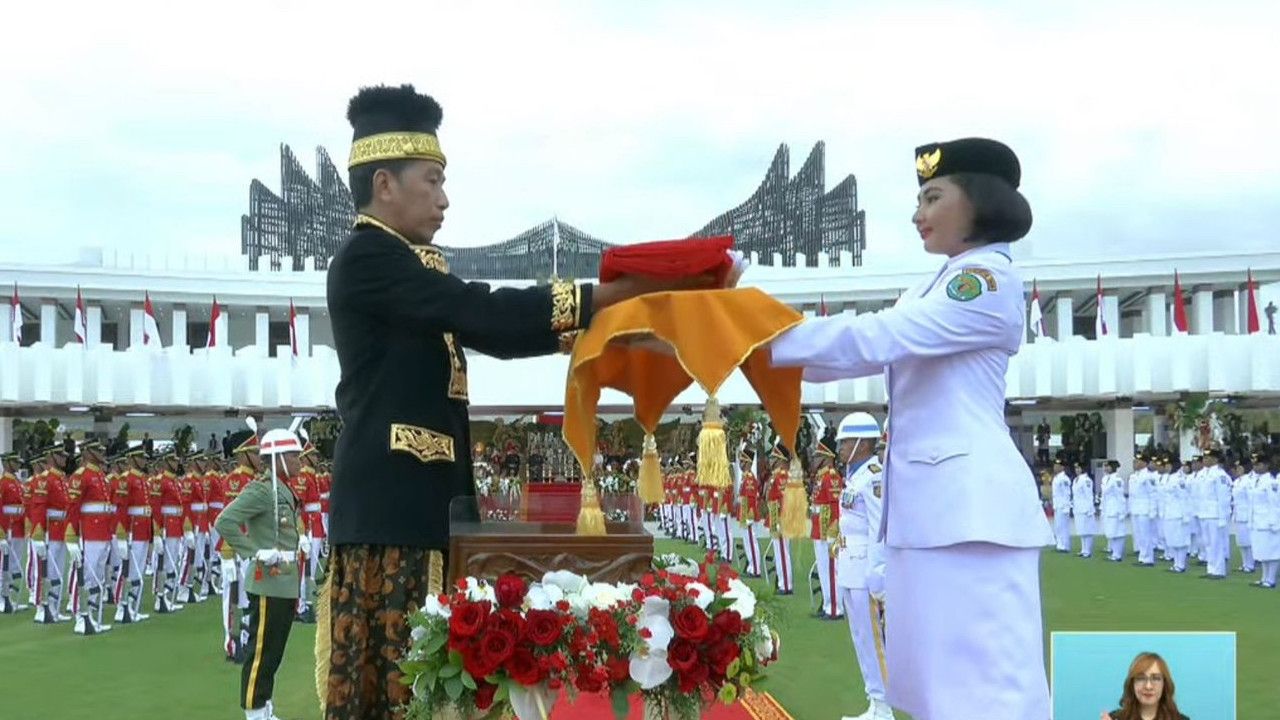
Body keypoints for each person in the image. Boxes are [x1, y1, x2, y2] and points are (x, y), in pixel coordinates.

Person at [320, 84, 712, 720]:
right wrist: (604, 297)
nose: (445, 198)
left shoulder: (410, 265)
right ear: (385, 184)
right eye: (433, 180)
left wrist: (607, 324)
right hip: (393, 515)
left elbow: (490, 328)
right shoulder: (368, 258)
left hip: (426, 509)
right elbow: (482, 311)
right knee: (402, 695)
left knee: (434, 691)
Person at [769, 138, 1053, 719]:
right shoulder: (935, 284)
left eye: (933, 196)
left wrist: (748, 333)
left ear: (979, 200)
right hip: (931, 516)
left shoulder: (984, 282)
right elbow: (839, 357)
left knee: (990, 693)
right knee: (933, 693)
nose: (917, 212)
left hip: (971, 517)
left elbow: (873, 338)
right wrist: (748, 341)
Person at [214, 426, 305, 720]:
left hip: (285, 581)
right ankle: (253, 712)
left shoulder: (283, 490)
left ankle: (265, 707)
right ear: (277, 459)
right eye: (292, 456)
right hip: (268, 581)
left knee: (273, 653)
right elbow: (225, 521)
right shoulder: (261, 490)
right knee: (260, 653)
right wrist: (253, 551)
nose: (298, 462)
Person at [832, 412, 890, 720]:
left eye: (846, 442)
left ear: (863, 443)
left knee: (873, 641)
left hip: (865, 572)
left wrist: (877, 574)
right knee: (861, 639)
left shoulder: (874, 475)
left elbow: (878, 528)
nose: (840, 447)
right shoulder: (855, 475)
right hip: (849, 568)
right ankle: (874, 702)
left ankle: (883, 707)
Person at [1101, 651, 1189, 720]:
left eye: (1155, 678)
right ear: (1132, 684)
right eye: (1141, 678)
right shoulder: (1115, 718)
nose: (1148, 686)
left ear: (1165, 684)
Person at [810, 440, 843, 620]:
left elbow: (835, 506)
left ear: (827, 458)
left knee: (832, 569)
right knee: (823, 569)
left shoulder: (831, 478)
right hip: (818, 528)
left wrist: (833, 530)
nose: (815, 460)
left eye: (818, 457)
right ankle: (827, 604)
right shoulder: (821, 477)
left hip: (828, 529)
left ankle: (835, 608)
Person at [1, 451, 28, 613]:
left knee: (13, 565)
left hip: (18, 528)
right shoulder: (3, 482)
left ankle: (9, 597)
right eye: (15, 462)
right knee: (2, 565)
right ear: (6, 463)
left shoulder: (17, 482)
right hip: (6, 528)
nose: (18, 465)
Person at [1250, 450, 1278, 588]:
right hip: (1258, 521)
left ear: (1266, 465)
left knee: (1272, 551)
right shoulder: (1257, 481)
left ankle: (1271, 579)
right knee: (1262, 551)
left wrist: (1275, 522)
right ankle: (1264, 577)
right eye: (1254, 465)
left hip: (1268, 521)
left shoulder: (1271, 482)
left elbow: (1275, 504)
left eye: (1259, 464)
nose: (1256, 467)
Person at [1099, 460, 1128, 562]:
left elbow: (1120, 496)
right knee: (1111, 532)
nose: (1106, 468)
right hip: (1108, 508)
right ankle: (1114, 553)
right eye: (1105, 466)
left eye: (1108, 466)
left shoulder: (1117, 480)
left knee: (1118, 532)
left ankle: (1117, 554)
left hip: (1116, 508)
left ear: (1113, 468)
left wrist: (1121, 511)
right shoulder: (1106, 479)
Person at [1073, 461, 1098, 558]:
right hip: (1078, 507)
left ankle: (1087, 550)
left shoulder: (1086, 480)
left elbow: (1089, 495)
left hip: (1085, 508)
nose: (1077, 470)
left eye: (1079, 468)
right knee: (1081, 530)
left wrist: (1089, 509)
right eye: (1076, 468)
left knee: (1087, 530)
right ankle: (1083, 549)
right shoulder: (1076, 479)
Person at [1051, 456, 1073, 553]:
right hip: (1058, 505)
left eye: (1057, 465)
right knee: (1058, 526)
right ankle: (1060, 544)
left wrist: (1066, 507)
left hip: (1063, 506)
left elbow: (1066, 493)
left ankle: (1064, 545)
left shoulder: (1064, 479)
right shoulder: (1057, 478)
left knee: (1063, 526)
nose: (1055, 467)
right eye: (1055, 465)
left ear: (1062, 467)